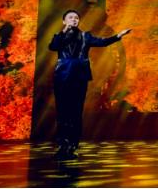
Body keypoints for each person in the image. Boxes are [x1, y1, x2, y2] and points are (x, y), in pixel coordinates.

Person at [48, 9, 131, 160]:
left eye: (76, 17)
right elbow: (53, 47)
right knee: (62, 112)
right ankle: (62, 145)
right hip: (62, 76)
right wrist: (64, 31)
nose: (74, 19)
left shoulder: (85, 36)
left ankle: (73, 145)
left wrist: (118, 35)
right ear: (64, 21)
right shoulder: (59, 37)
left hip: (79, 77)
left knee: (76, 112)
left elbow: (103, 42)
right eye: (70, 17)